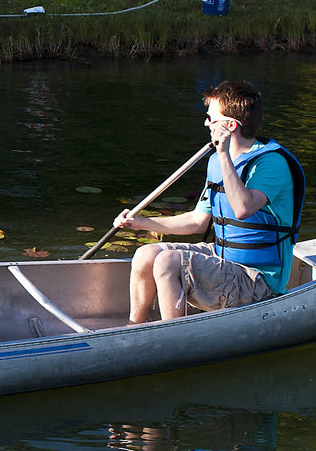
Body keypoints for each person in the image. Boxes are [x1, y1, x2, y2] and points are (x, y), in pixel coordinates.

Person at [115, 80, 304, 324]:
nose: (206, 123)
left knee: (169, 261)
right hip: (224, 260)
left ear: (230, 126)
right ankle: (135, 329)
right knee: (146, 254)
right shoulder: (217, 161)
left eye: (211, 118)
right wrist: (140, 222)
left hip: (257, 281)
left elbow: (243, 208)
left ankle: (173, 339)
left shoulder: (270, 163)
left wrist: (224, 153)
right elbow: (197, 221)